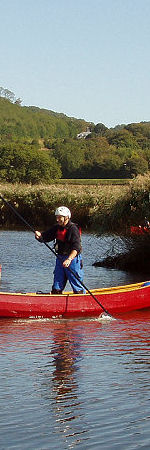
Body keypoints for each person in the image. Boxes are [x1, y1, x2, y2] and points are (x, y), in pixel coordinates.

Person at [35, 206, 86, 294]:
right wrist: (39, 236)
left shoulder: (73, 229)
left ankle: (80, 297)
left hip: (72, 260)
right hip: (60, 258)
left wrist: (69, 259)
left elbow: (76, 247)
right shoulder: (57, 227)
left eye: (60, 218)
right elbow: (46, 236)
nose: (57, 220)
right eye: (57, 217)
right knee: (56, 287)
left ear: (66, 217)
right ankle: (56, 296)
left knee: (77, 286)